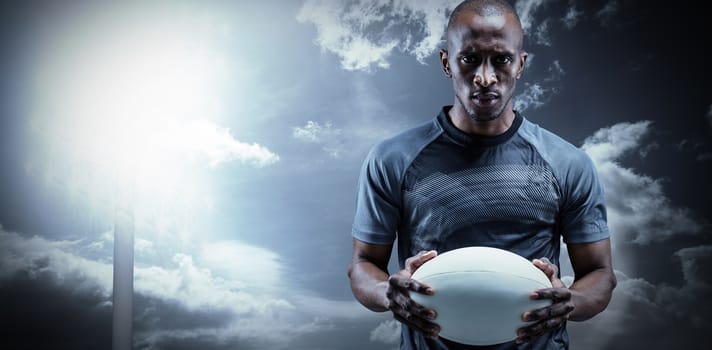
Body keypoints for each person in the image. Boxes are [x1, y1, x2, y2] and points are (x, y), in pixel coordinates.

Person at [347, 0, 617, 349]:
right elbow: (362, 265)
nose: (485, 77)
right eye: (469, 58)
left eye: (501, 60)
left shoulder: (568, 163)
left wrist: (571, 301)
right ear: (447, 62)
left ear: (521, 64)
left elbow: (600, 273)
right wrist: (389, 293)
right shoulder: (393, 158)